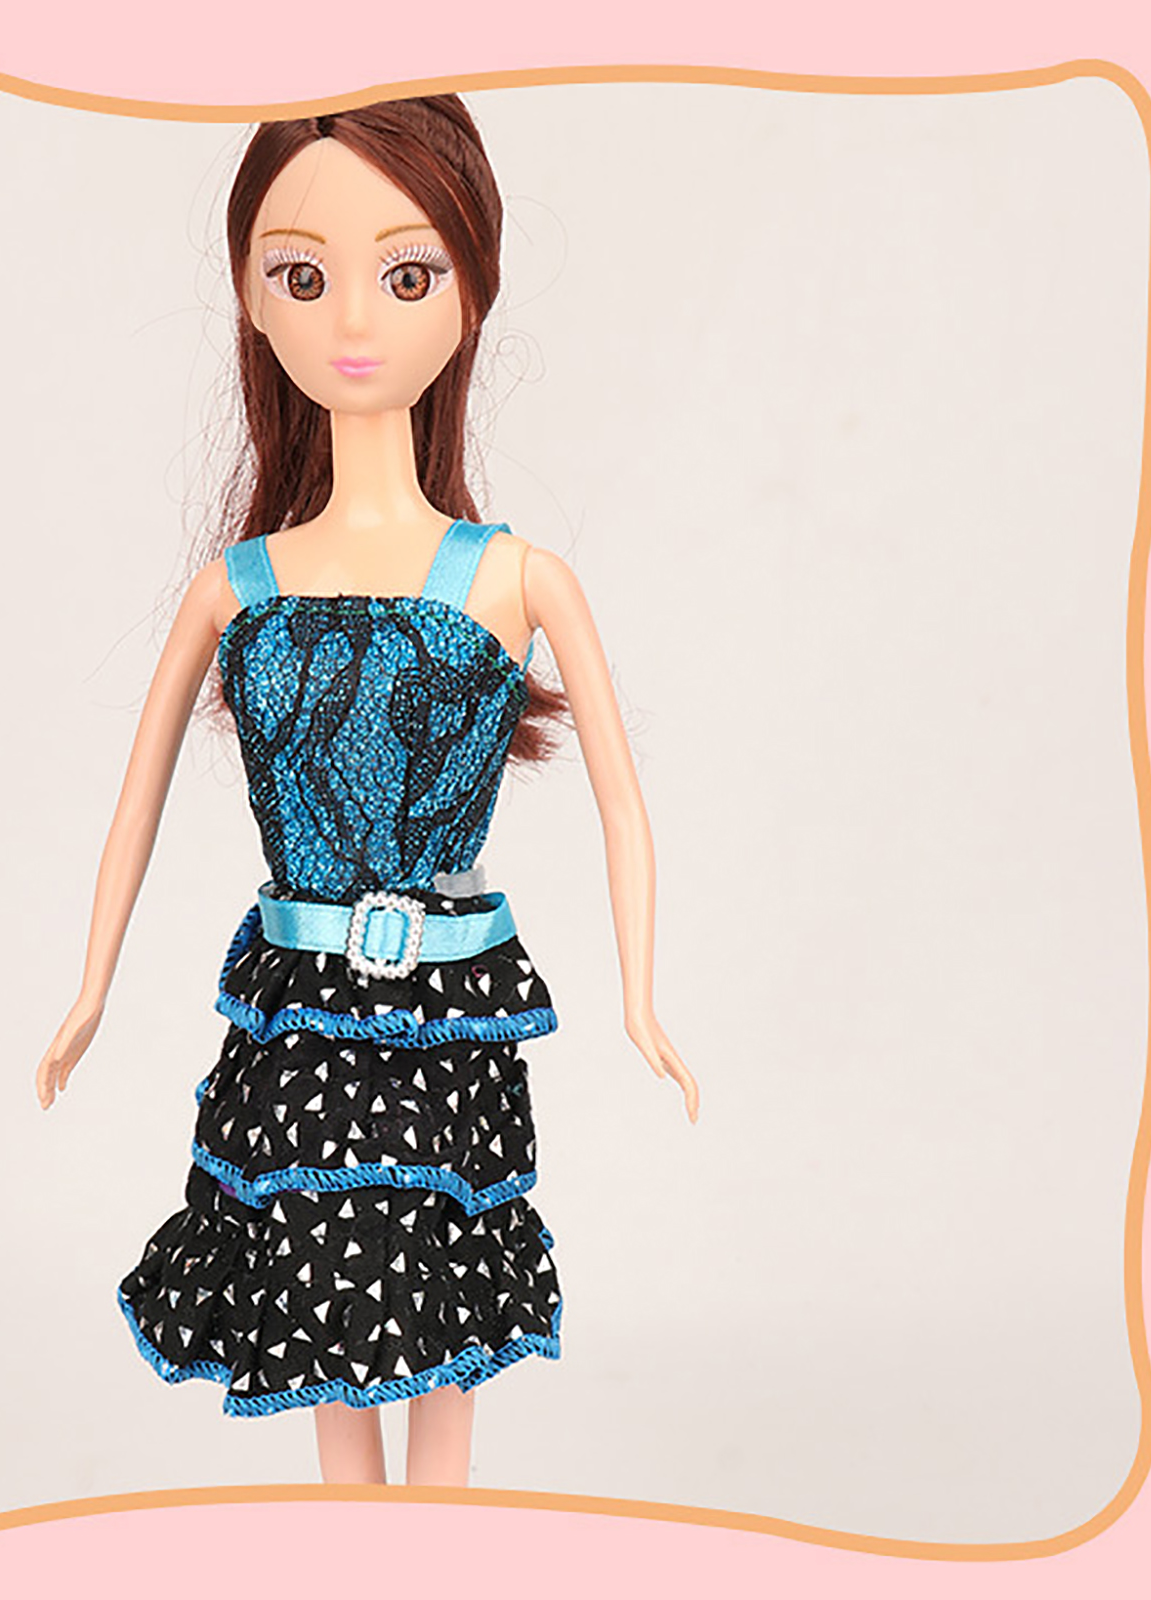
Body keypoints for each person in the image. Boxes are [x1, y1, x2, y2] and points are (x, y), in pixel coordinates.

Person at [36, 93, 698, 1488]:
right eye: (301, 274)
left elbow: (623, 807)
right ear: (249, 297)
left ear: (470, 289)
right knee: (324, 1329)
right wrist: (88, 990)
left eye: (406, 275)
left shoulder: (515, 578)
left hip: (449, 1011)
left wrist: (643, 999)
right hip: (296, 1012)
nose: (353, 319)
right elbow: (133, 803)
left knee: (443, 1327)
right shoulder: (236, 588)